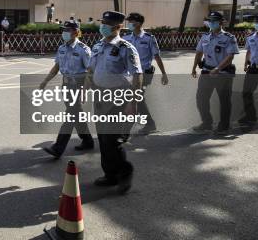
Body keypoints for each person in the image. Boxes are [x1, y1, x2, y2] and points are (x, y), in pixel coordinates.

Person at [88, 11, 142, 194]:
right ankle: (110, 174)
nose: (103, 26)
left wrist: (133, 103)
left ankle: (125, 172)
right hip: (100, 97)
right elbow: (91, 71)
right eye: (102, 22)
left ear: (118, 27)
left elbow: (137, 75)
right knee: (103, 138)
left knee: (112, 139)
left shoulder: (126, 47)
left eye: (107, 23)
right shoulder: (97, 46)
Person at [39, 21, 94, 159]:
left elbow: (90, 72)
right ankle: (88, 140)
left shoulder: (83, 49)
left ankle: (58, 148)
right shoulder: (62, 48)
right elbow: (57, 66)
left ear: (76, 32)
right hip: (66, 85)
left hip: (78, 85)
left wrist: (84, 91)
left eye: (67, 30)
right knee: (76, 114)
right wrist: (45, 81)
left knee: (70, 116)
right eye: (63, 29)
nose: (64, 32)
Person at [191, 11, 238, 135]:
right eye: (210, 21)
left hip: (222, 73)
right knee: (201, 98)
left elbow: (230, 56)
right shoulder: (205, 36)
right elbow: (199, 52)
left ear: (221, 22)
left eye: (214, 21)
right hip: (206, 72)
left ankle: (224, 125)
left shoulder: (229, 37)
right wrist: (194, 67)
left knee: (224, 100)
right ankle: (207, 123)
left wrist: (218, 68)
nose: (211, 23)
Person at [123, 12, 169, 134]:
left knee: (138, 97)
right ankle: (145, 122)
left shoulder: (149, 38)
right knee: (136, 98)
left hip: (144, 74)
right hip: (129, 74)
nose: (129, 24)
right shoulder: (126, 38)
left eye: (131, 21)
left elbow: (157, 56)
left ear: (138, 23)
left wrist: (164, 73)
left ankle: (147, 124)